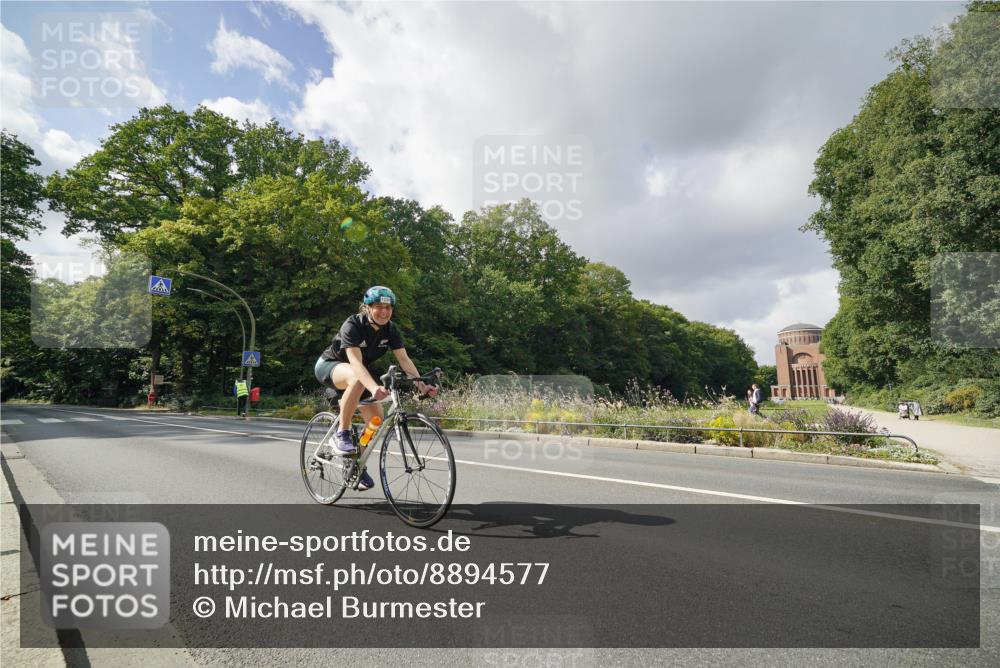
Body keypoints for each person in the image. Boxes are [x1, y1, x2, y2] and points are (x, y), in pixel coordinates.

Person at [313, 286, 437, 491]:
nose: (384, 312)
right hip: (330, 366)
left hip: (357, 376)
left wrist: (421, 385)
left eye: (388, 307)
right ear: (368, 308)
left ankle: (353, 464)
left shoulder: (391, 330)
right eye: (379, 307)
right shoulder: (353, 324)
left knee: (376, 421)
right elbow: (355, 362)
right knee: (359, 378)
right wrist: (374, 388)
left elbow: (404, 361)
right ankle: (342, 433)